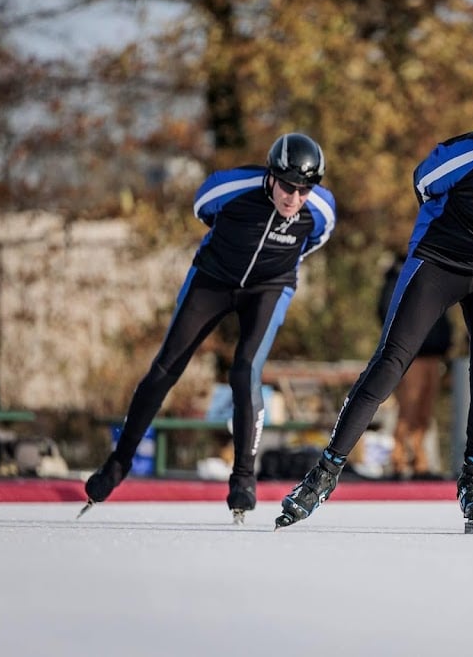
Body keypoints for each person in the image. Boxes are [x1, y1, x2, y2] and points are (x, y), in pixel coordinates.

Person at [275, 72, 473, 533]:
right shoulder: (458, 158)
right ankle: (324, 472)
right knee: (391, 361)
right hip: (441, 260)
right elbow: (423, 186)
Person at [80, 133, 336, 523]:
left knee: (246, 369)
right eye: (287, 186)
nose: (295, 198)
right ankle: (118, 463)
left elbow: (315, 240)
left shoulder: (319, 208)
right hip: (214, 278)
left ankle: (244, 479)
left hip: (270, 286)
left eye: (305, 190)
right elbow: (204, 210)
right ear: (271, 176)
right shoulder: (229, 186)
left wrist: (275, 263)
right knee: (167, 367)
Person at [377, 252, 453, 479]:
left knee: (425, 411)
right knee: (408, 408)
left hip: (433, 355)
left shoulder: (433, 276)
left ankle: (419, 458)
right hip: (414, 355)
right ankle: (399, 458)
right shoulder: (399, 278)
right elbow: (387, 312)